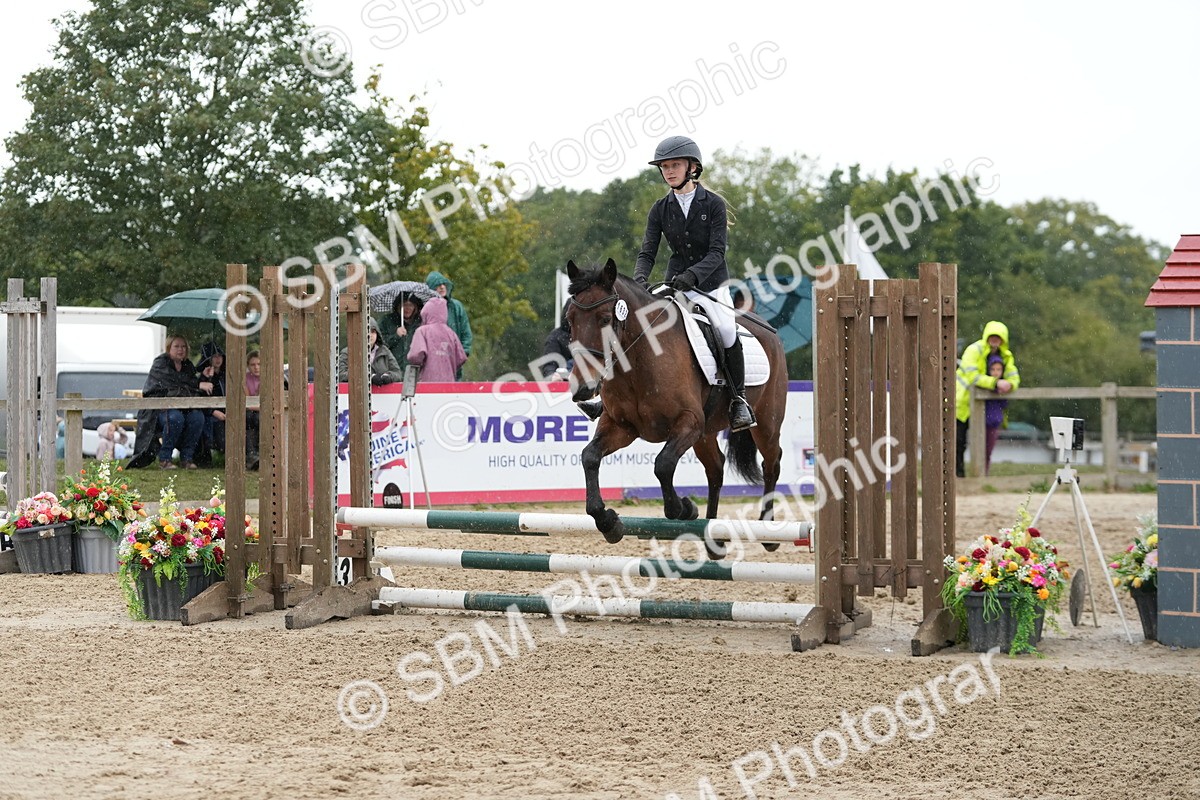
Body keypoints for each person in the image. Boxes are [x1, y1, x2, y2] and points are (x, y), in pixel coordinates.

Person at [618, 134, 754, 431]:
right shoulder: (660, 209)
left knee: (726, 330)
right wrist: (640, 282)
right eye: (664, 166)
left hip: (710, 284)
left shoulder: (714, 204)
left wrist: (692, 277)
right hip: (674, 284)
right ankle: (607, 395)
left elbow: (718, 252)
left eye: (674, 165)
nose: (668, 171)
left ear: (692, 167)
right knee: (636, 327)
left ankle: (738, 400)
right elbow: (647, 251)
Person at [955, 320, 1020, 477]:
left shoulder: (1005, 356)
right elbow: (972, 377)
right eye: (992, 337)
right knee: (958, 442)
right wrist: (996, 383)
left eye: (998, 338)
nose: (995, 341)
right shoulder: (974, 350)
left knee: (983, 444)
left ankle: (980, 477)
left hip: (985, 406)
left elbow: (1014, 376)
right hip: (961, 402)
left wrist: (1010, 385)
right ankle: (958, 476)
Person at [142, 334, 213, 469]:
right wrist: (197, 386)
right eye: (177, 346)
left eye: (183, 347)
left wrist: (204, 376)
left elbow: (192, 385)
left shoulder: (187, 365)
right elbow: (169, 388)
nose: (181, 350)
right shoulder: (160, 363)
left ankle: (187, 458)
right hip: (160, 411)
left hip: (185, 408)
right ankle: (165, 459)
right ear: (169, 348)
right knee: (175, 418)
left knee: (197, 418)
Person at [424, 270, 473, 379]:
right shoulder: (424, 309)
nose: (442, 287)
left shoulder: (456, 307)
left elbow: (466, 333)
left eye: (443, 284)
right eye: (437, 285)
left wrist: (463, 354)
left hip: (454, 362)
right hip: (431, 365)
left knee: (454, 393)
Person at [406, 296, 467, 382]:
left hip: (428, 383)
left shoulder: (422, 331)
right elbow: (461, 358)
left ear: (426, 312)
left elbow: (415, 356)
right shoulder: (451, 333)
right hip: (449, 384)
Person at [338, 317, 404, 386]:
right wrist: (369, 377)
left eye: (373, 331)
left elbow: (397, 373)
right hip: (357, 394)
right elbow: (341, 375)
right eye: (366, 331)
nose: (370, 335)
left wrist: (387, 376)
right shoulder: (348, 352)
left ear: (377, 334)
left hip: (382, 395)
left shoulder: (385, 351)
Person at [197, 343, 227, 460]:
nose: (218, 359)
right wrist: (213, 411)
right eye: (214, 356)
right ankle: (204, 456)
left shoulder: (227, 375)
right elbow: (200, 400)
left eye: (220, 356)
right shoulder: (202, 378)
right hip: (210, 415)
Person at [981, 354, 1009, 476]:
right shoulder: (984, 385)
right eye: (993, 369)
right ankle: (980, 474)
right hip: (981, 423)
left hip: (993, 423)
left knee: (988, 451)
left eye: (998, 369)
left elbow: (1005, 404)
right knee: (980, 451)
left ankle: (985, 474)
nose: (996, 372)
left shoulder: (1003, 388)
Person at [380, 294, 424, 368]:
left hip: (415, 369)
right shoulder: (386, 321)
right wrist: (395, 336)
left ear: (416, 307)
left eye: (411, 305)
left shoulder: (421, 323)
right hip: (392, 368)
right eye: (404, 305)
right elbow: (380, 344)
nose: (407, 308)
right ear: (398, 306)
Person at [540, 304, 574, 379]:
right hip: (564, 383)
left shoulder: (592, 335)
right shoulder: (555, 337)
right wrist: (552, 376)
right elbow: (549, 365)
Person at [245, 350, 261, 471]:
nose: (256, 367)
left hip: (262, 411)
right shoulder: (245, 379)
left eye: (259, 364)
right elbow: (246, 401)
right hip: (250, 410)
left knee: (259, 418)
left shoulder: (269, 378)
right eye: (252, 364)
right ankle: (251, 454)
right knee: (249, 417)